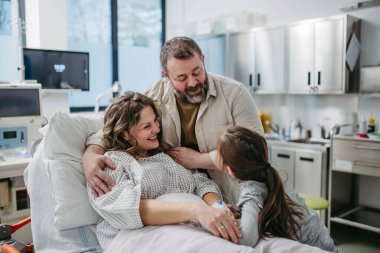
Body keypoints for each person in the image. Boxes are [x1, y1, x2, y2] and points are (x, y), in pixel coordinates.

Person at [83, 36, 263, 242]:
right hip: (169, 232)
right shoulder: (118, 162)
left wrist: (202, 170)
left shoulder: (234, 94)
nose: (193, 82)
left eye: (197, 72)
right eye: (182, 78)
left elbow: (254, 152)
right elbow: (110, 129)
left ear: (203, 60)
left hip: (234, 196)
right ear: (166, 76)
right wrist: (89, 157)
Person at [89, 92, 241, 249]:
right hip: (143, 235)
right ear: (125, 134)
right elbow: (126, 208)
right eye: (147, 126)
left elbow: (201, 183)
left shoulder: (167, 157)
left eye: (155, 121)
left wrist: (218, 206)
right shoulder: (113, 163)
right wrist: (196, 210)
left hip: (192, 228)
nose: (156, 129)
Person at [217, 125, 336, 252]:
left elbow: (246, 239)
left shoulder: (251, 192)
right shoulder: (271, 175)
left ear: (230, 168)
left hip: (318, 248)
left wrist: (225, 227)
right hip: (325, 240)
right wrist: (241, 214)